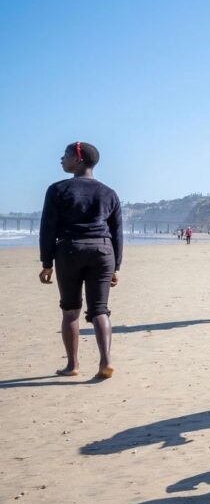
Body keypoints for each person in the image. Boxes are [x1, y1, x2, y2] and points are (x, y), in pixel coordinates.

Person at [38, 141, 123, 379]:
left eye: (64, 155)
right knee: (100, 310)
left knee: (70, 311)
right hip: (103, 252)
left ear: (78, 159)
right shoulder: (109, 192)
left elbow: (48, 228)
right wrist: (116, 266)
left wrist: (46, 263)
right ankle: (106, 361)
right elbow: (117, 232)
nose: (61, 159)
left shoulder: (57, 189)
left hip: (70, 250)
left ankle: (72, 365)